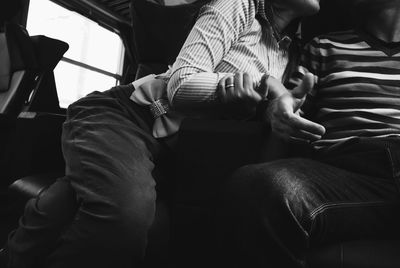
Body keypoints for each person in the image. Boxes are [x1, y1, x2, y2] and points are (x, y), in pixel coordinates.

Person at [6, 0, 320, 267]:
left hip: (173, 148)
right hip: (126, 114)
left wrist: (275, 108)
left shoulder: (291, 52)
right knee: (122, 223)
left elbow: (262, 108)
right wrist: (262, 87)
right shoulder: (238, 6)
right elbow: (180, 85)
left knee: (72, 200)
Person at [217, 0, 400, 267]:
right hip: (345, 174)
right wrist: (278, 122)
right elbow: (288, 115)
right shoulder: (324, 47)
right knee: (254, 184)